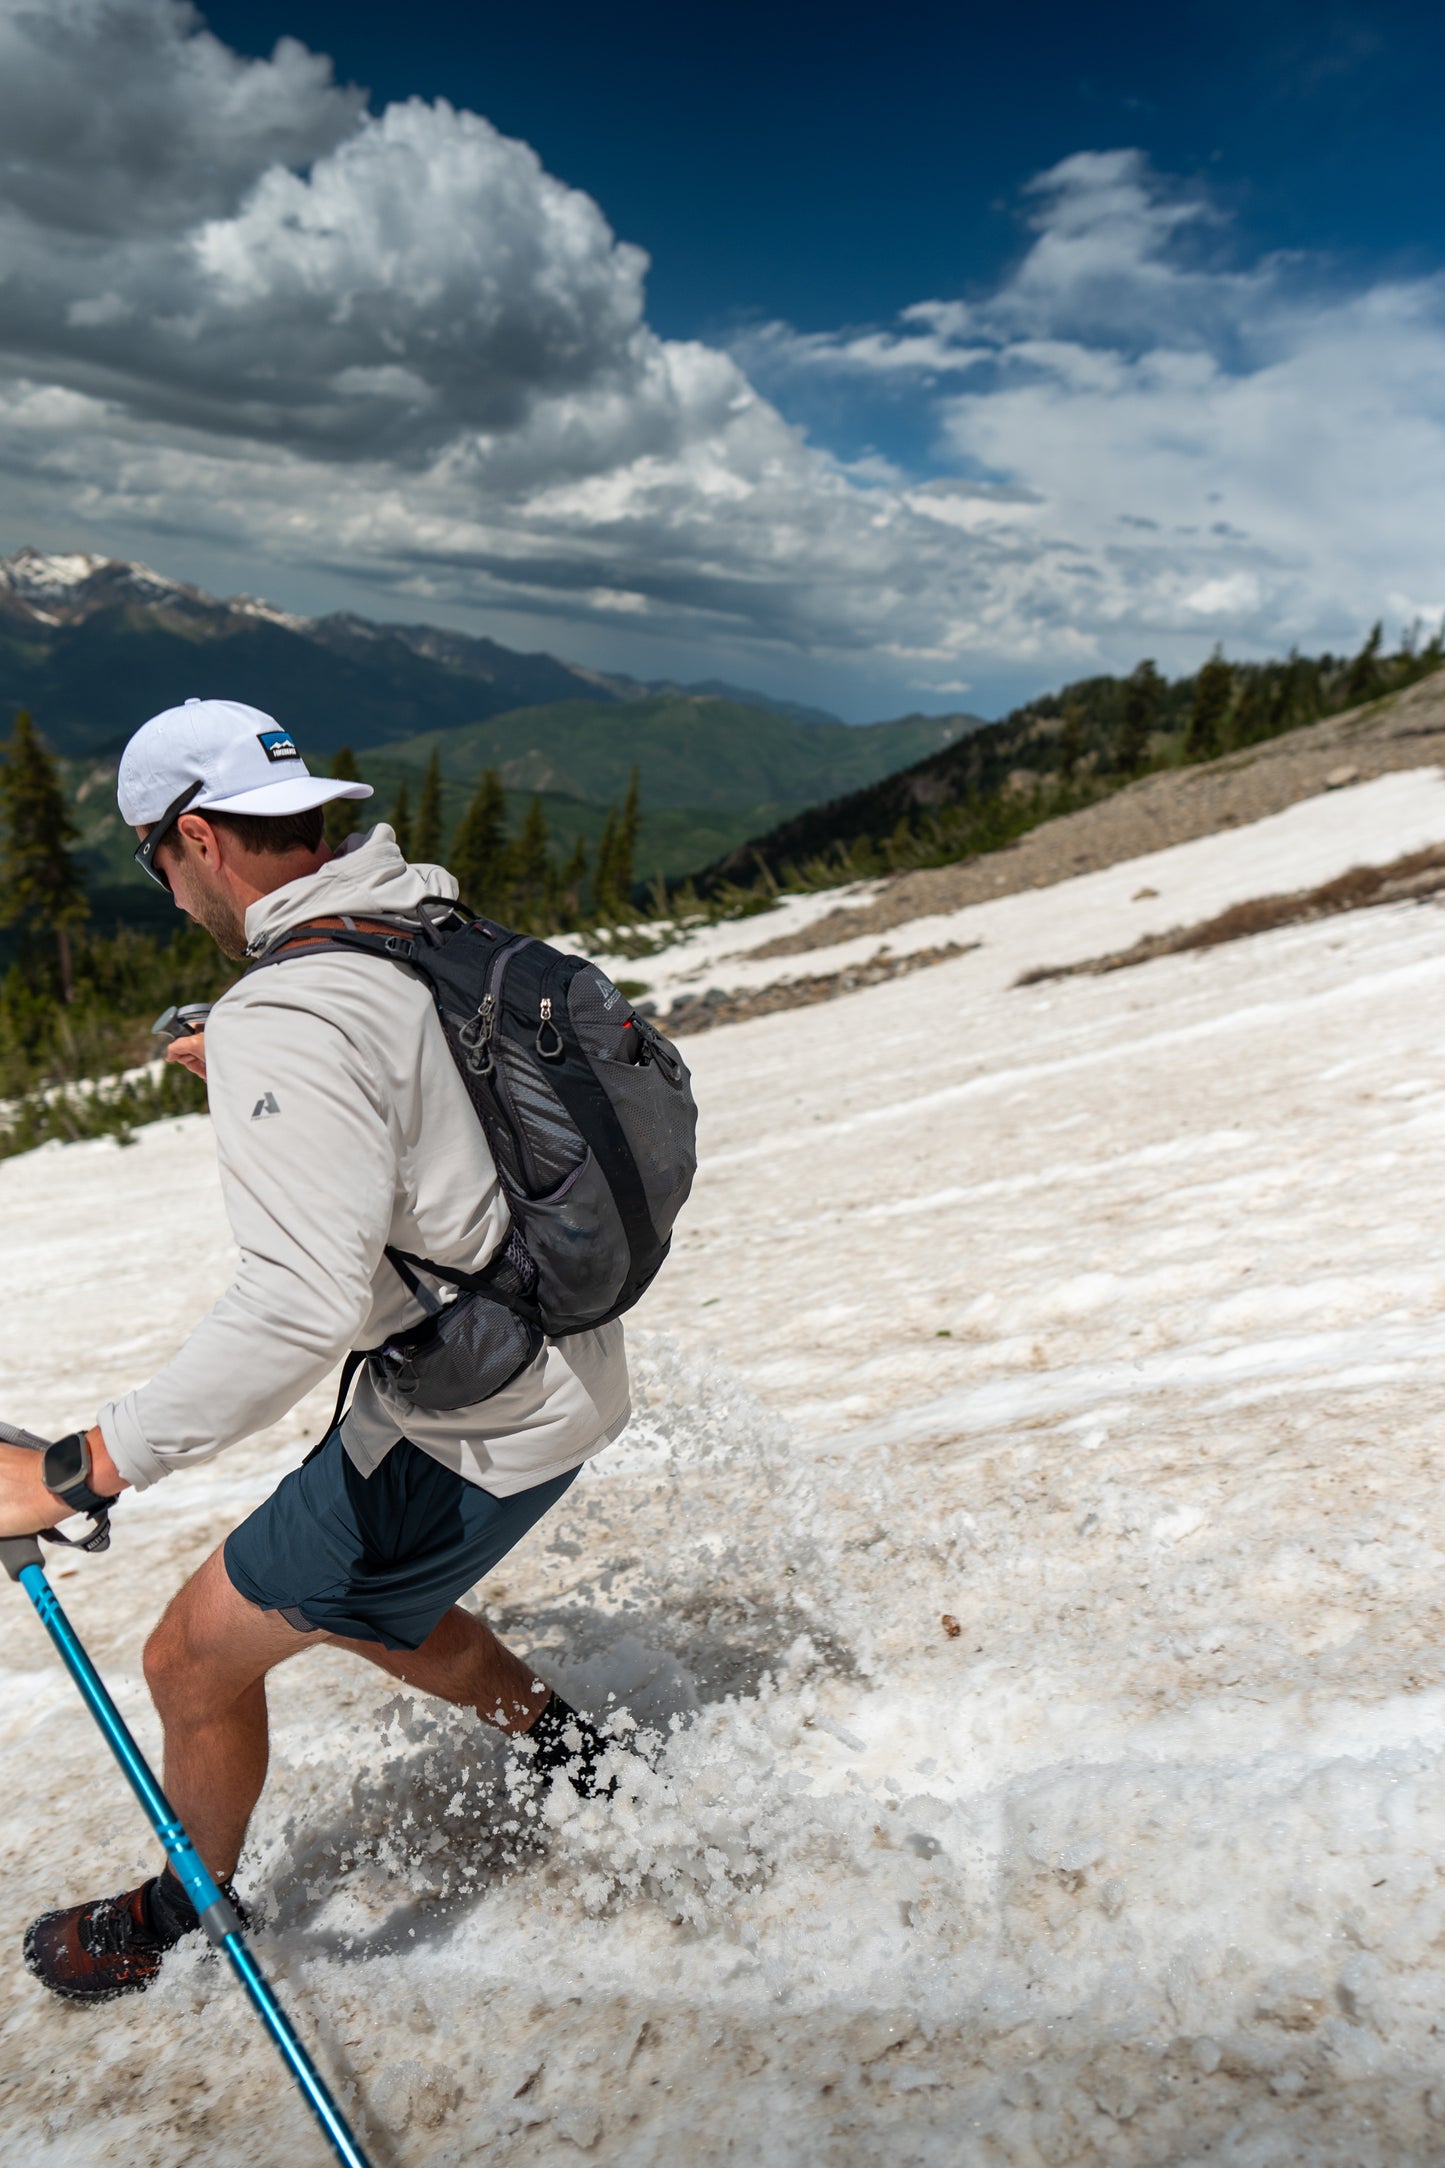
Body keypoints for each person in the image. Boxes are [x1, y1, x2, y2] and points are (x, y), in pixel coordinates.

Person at [0, 697, 631, 2003]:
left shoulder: (289, 1011)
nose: (169, 896)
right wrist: (245, 1066)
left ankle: (183, 1903)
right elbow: (437, 1101)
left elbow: (295, 1304)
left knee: (189, 1655)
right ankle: (571, 1747)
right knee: (351, 1601)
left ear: (192, 838)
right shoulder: (422, 923)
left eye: (156, 866)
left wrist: (74, 1471)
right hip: (559, 1359)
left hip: (467, 1417)